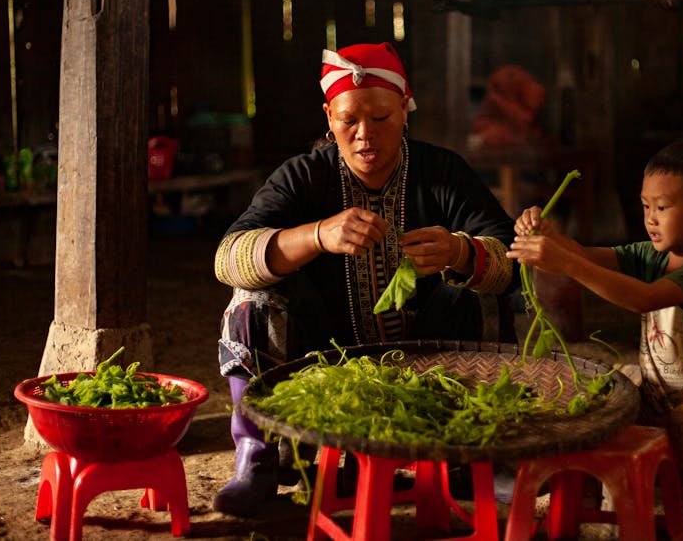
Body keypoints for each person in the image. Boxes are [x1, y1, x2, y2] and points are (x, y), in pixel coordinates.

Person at [212, 41, 520, 517]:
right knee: (253, 294)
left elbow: (512, 264)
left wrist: (460, 252)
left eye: (380, 118)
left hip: (431, 362)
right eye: (348, 120)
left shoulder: (442, 172)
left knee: (481, 287)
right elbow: (228, 258)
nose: (364, 135)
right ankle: (258, 457)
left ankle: (483, 453)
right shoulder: (302, 177)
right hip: (325, 366)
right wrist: (316, 236)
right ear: (328, 117)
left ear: (405, 109)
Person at [506, 137, 683, 541]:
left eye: (663, 207)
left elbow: (642, 299)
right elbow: (583, 253)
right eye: (645, 206)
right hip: (658, 412)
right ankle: (572, 492)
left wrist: (563, 261)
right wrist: (547, 233)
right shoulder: (651, 255)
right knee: (603, 390)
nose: (650, 218)